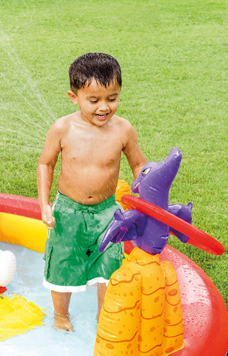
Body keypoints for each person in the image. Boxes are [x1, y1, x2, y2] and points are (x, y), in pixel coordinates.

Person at [37, 53, 147, 332]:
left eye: (112, 98)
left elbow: (138, 164)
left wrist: (148, 198)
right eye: (94, 100)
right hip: (68, 211)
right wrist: (45, 205)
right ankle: (61, 316)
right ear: (74, 97)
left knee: (110, 267)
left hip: (107, 212)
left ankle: (105, 317)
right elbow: (45, 164)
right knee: (63, 263)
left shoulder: (123, 130)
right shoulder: (63, 128)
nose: (104, 107)